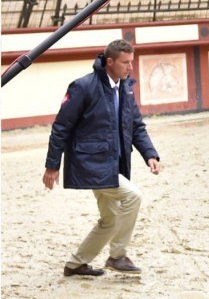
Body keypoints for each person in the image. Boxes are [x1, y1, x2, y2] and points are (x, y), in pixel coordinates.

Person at [45, 39, 161, 277]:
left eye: (132, 62)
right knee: (133, 196)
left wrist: (149, 153)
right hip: (92, 164)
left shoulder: (125, 87)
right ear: (110, 62)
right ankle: (117, 256)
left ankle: (76, 264)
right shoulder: (83, 87)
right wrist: (52, 166)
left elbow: (136, 126)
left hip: (114, 164)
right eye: (125, 62)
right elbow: (61, 127)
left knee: (110, 220)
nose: (130, 67)